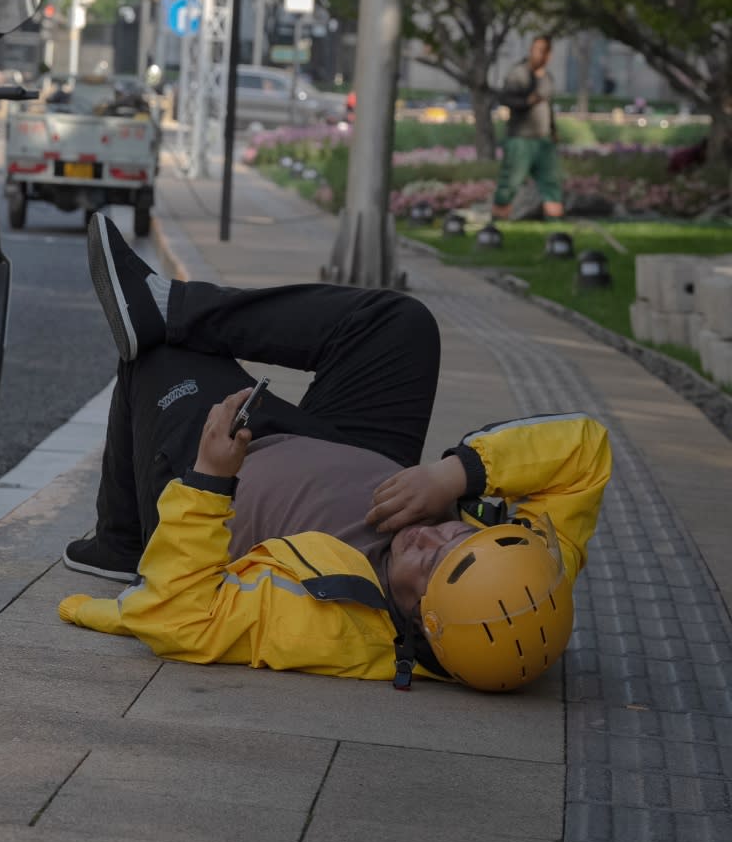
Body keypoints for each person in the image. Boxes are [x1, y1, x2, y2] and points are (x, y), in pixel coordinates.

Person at [60, 213, 610, 691]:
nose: (427, 535)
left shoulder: (330, 624)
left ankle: (123, 542)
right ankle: (169, 305)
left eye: (428, 564)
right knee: (400, 325)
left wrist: (208, 481)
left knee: (159, 355)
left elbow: (180, 620)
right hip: (346, 453)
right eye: (456, 536)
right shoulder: (525, 571)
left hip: (212, 476)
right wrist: (455, 475)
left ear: (423, 625)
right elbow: (585, 452)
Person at [492, 34, 565, 222]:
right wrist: (527, 101)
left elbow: (548, 106)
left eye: (545, 51)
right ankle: (498, 222)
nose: (541, 55)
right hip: (521, 138)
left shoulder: (547, 77)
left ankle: (554, 223)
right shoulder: (519, 73)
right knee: (510, 182)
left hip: (543, 139)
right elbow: (505, 98)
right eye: (538, 50)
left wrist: (553, 131)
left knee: (551, 182)